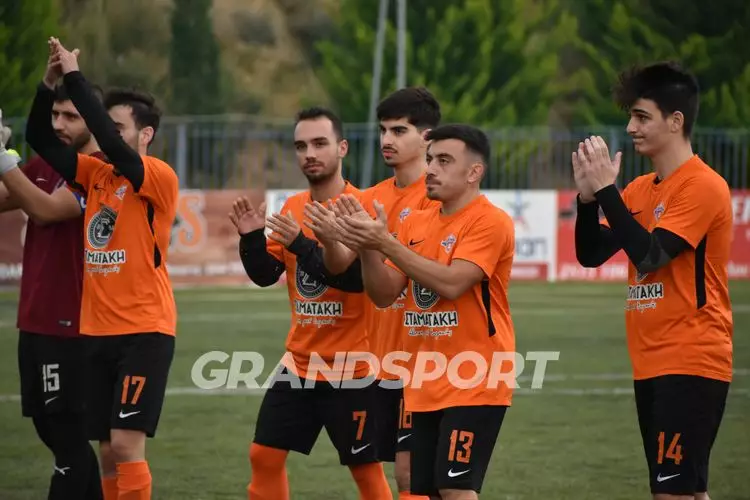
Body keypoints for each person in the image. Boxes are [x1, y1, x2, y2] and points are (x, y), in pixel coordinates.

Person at [25, 38, 179, 500]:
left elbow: (109, 142)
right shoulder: (94, 174)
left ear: (146, 134)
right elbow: (39, 138)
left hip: (144, 332)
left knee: (127, 445)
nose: (107, 134)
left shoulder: (156, 176)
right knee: (109, 450)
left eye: (118, 127)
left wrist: (75, 74)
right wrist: (49, 83)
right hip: (96, 332)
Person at [573, 62, 733, 500]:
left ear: (675, 121)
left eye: (642, 117)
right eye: (631, 116)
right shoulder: (642, 189)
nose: (631, 128)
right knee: (686, 491)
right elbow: (591, 254)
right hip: (651, 361)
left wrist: (607, 191)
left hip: (691, 358)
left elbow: (652, 255)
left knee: (672, 492)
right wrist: (588, 200)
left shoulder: (703, 185)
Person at [333, 124, 516, 500]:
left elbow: (452, 283)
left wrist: (386, 244)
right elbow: (384, 294)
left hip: (475, 377)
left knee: (455, 489)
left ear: (474, 172)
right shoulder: (415, 222)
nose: (431, 168)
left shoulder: (490, 220)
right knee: (423, 489)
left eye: (444, 161)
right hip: (423, 379)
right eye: (430, 159)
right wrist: (368, 247)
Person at [230, 106, 392, 500]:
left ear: (342, 148)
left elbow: (352, 282)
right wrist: (251, 239)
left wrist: (302, 243)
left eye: (320, 143)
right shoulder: (293, 207)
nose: (309, 153)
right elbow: (266, 274)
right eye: (301, 146)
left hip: (354, 368)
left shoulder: (361, 206)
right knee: (264, 456)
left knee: (365, 470)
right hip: (299, 364)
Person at [304, 87, 441, 500]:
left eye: (399, 131)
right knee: (413, 476)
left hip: (429, 353)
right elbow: (339, 267)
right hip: (385, 357)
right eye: (383, 130)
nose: (386, 140)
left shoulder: (437, 198)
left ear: (427, 138)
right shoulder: (370, 197)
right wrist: (330, 240)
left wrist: (378, 243)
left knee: (412, 473)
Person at [0, 73, 104, 500]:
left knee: (66, 439)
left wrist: (3, 159)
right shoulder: (46, 163)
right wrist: (5, 153)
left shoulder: (98, 170)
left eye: (71, 116)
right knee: (54, 432)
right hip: (36, 318)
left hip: (70, 323)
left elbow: (44, 210)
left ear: (93, 120)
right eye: (56, 114)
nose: (59, 124)